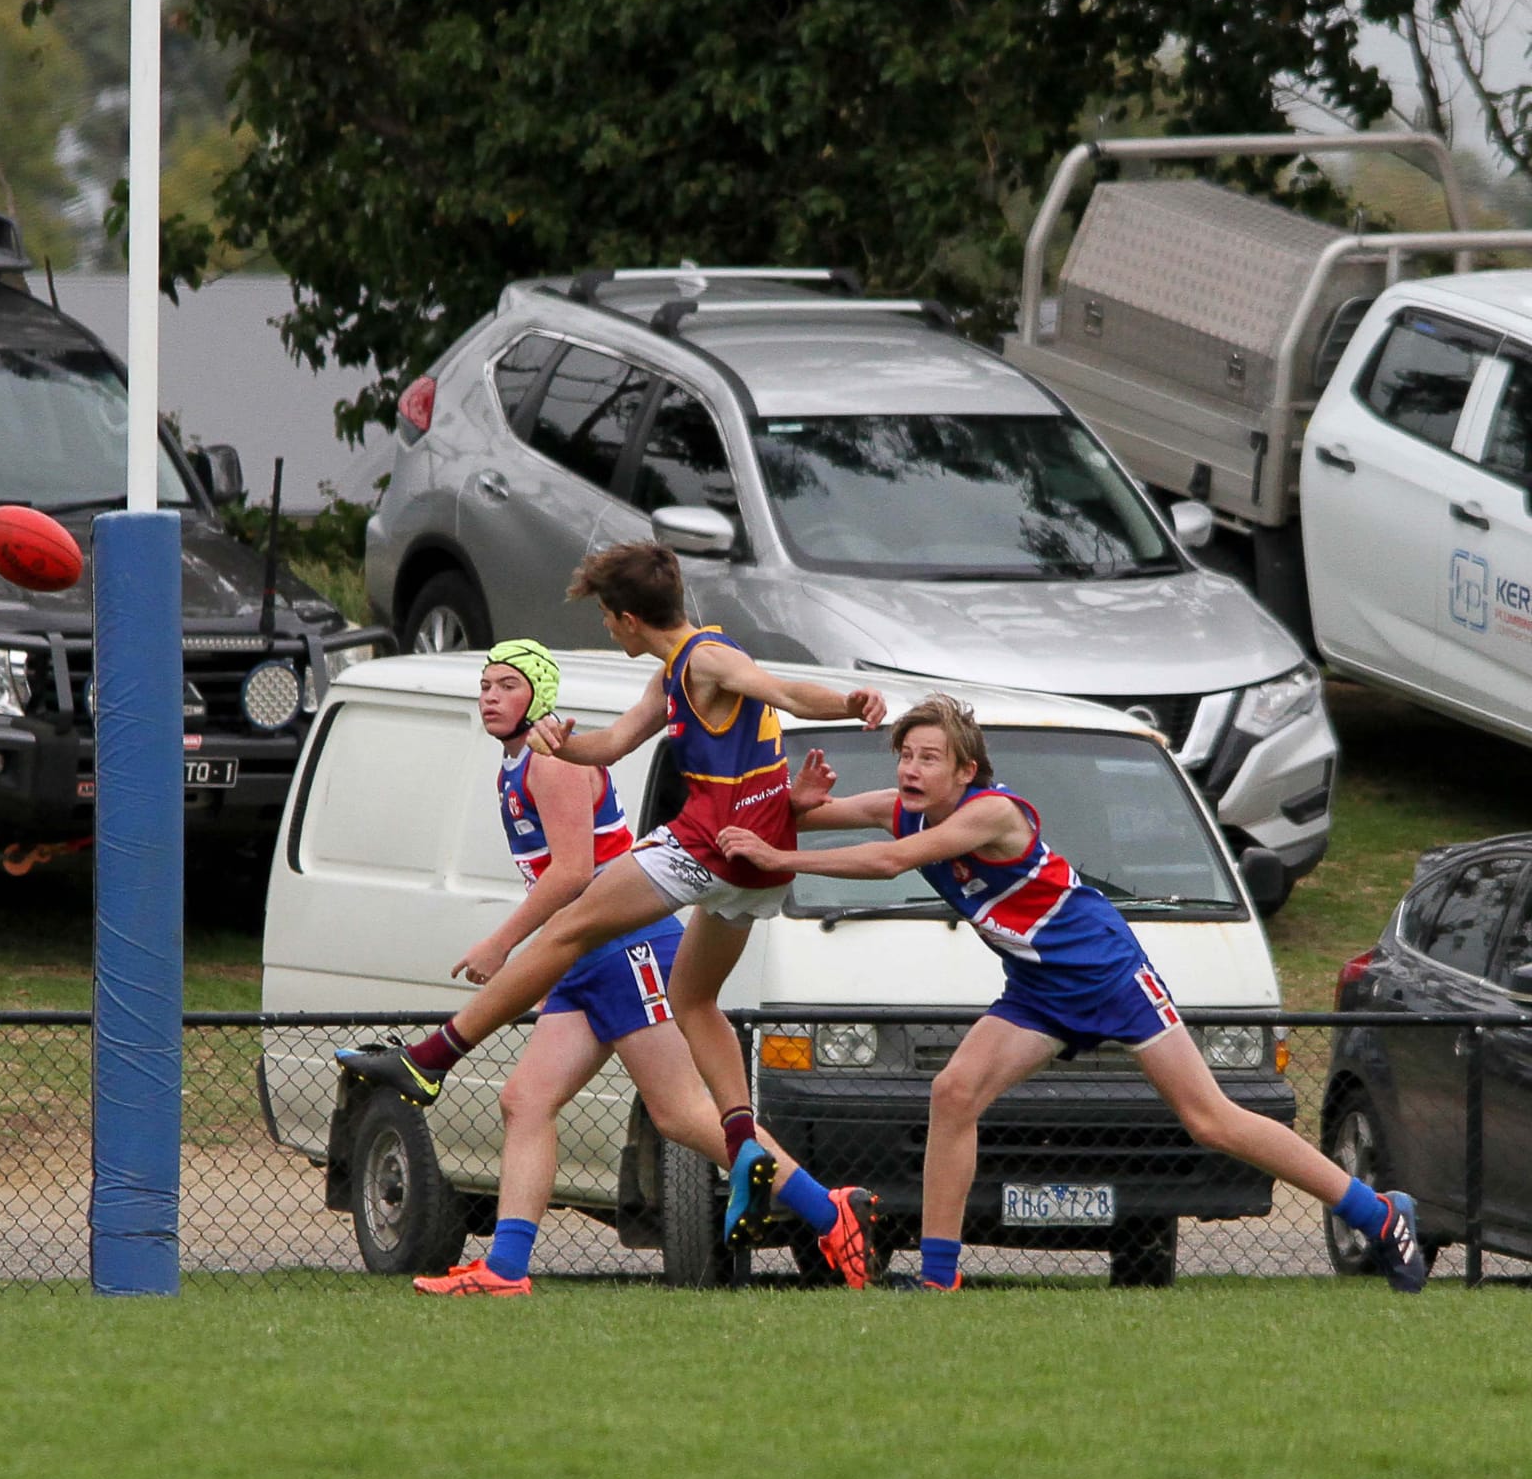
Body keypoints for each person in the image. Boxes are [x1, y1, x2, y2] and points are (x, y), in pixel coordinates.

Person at [716, 692, 1430, 1294]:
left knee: (1210, 1119)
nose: (910, 768)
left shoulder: (992, 814)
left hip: (1106, 975)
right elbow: (817, 816)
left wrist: (780, 855)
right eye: (905, 755)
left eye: (929, 758)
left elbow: (891, 861)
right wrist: (794, 804)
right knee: (953, 1093)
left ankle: (1377, 1213)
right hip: (1037, 990)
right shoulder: (902, 806)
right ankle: (938, 1279)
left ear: (966, 770)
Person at [339, 542, 888, 1258]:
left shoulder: (706, 659)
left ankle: (432, 1058)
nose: (606, 630)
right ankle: (511, 1265)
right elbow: (616, 743)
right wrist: (566, 744)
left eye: (606, 619)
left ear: (628, 619)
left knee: (570, 937)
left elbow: (778, 690)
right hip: (750, 863)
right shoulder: (665, 683)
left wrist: (850, 702)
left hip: (703, 856)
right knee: (551, 1087)